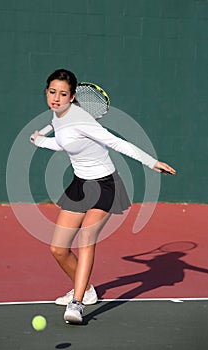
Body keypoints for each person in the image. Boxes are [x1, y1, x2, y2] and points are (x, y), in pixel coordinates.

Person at [30, 68, 176, 324]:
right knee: (58, 249)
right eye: (52, 92)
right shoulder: (58, 117)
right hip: (79, 183)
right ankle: (85, 290)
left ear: (73, 96)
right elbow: (64, 143)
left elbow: (117, 143)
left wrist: (152, 162)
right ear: (46, 92)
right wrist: (41, 141)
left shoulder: (81, 121)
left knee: (87, 237)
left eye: (63, 94)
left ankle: (76, 305)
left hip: (103, 184)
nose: (56, 98)